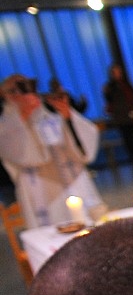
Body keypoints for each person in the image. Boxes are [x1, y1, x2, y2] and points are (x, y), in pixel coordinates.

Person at [0, 74, 102, 228]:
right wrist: (23, 115)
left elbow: (83, 147)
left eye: (24, 87)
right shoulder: (6, 127)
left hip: (73, 184)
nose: (20, 95)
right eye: (13, 91)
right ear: (5, 95)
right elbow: (25, 155)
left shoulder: (51, 115)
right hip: (40, 191)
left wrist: (67, 116)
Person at [102, 63, 133, 165]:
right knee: (129, 139)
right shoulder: (110, 87)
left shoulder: (126, 84)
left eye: (119, 72)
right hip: (122, 118)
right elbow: (109, 100)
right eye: (115, 72)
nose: (118, 74)